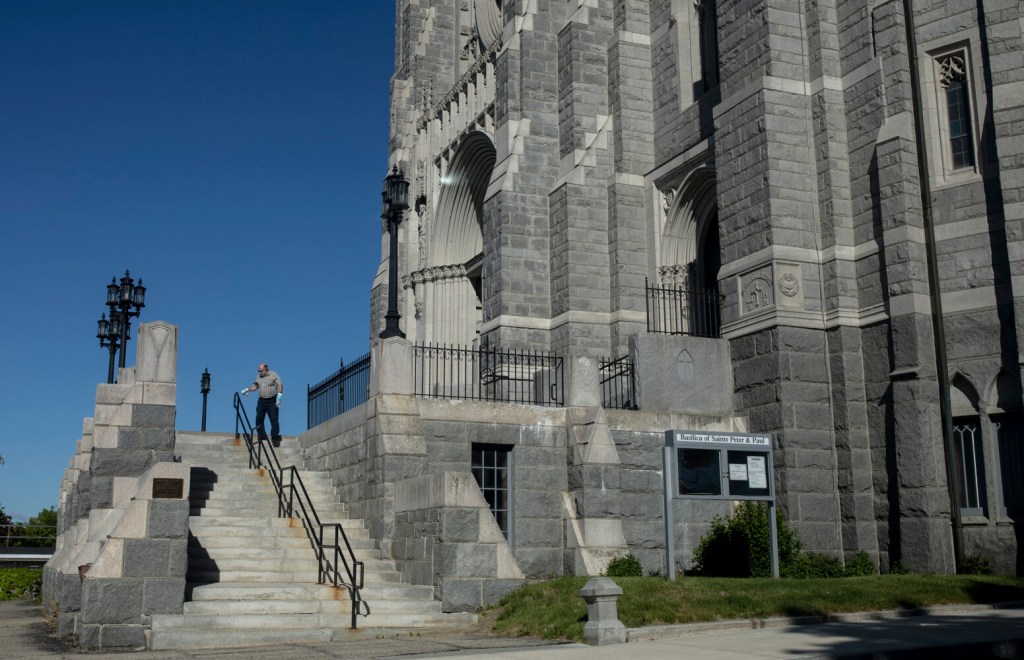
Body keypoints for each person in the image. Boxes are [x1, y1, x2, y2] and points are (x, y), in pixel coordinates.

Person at [240, 363, 284, 446]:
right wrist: (246, 389)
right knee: (259, 418)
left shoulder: (273, 374)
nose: (259, 373)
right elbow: (255, 386)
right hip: (261, 401)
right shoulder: (258, 377)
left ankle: (274, 436)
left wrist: (279, 396)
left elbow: (280, 384)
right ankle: (261, 435)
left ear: (266, 370)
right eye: (258, 371)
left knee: (274, 419)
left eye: (261, 371)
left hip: (272, 400)